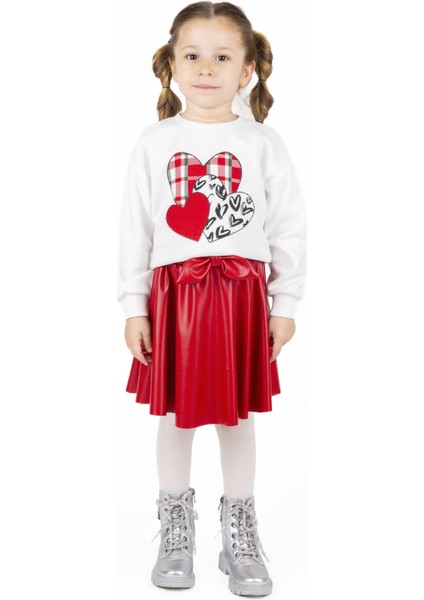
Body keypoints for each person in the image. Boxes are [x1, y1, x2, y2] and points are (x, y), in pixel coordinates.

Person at [117, 1, 306, 596]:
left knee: (236, 417)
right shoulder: (155, 142)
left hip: (241, 297)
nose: (205, 68)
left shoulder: (262, 143)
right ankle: (176, 532)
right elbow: (135, 229)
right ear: (171, 64)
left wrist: (285, 304)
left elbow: (288, 226)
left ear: (247, 68)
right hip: (175, 298)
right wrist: (135, 305)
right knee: (175, 416)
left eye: (222, 57)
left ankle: (239, 535)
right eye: (192, 55)